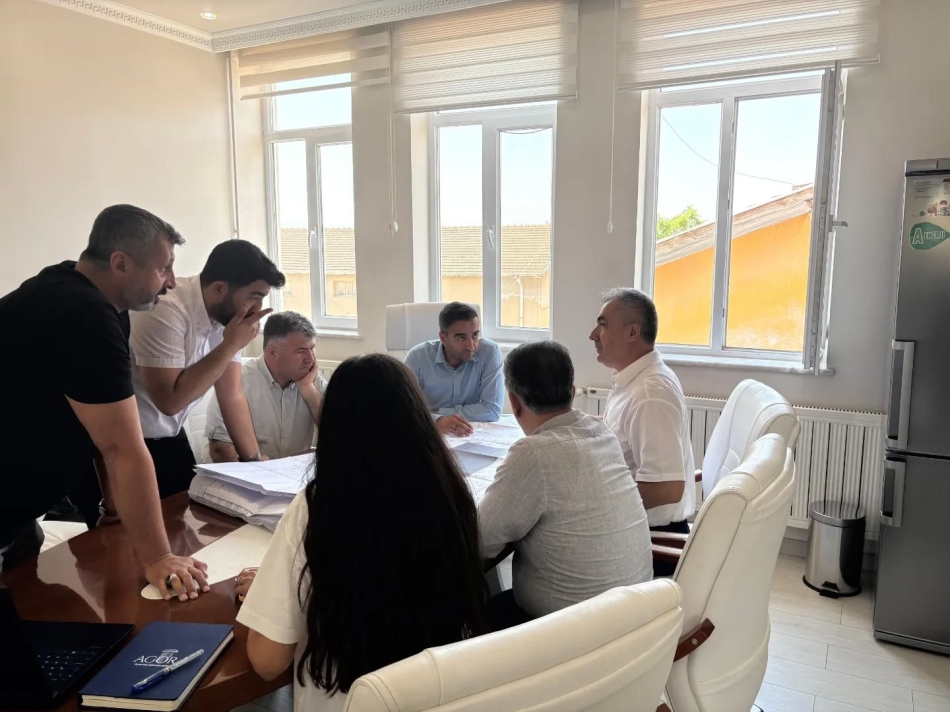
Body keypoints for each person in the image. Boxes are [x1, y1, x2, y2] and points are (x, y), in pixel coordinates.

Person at [233, 354, 488, 711]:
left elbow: (267, 661)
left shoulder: (318, 505)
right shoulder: (452, 493)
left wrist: (269, 591)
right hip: (437, 695)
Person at [0, 204, 209, 601]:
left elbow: (101, 423)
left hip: (19, 516)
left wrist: (112, 508)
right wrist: (160, 557)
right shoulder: (82, 314)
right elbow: (121, 447)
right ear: (120, 263)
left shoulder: (92, 300)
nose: (170, 281)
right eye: (163, 268)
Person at [478, 341, 653, 630]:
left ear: (514, 402)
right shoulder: (602, 432)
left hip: (570, 634)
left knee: (464, 616)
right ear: (572, 392)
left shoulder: (533, 454)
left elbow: (479, 541)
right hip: (633, 620)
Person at [129, 241, 286, 497]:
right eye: (253, 297)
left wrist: (255, 462)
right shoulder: (165, 308)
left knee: (188, 513)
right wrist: (231, 344)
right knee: (144, 522)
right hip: (127, 441)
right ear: (219, 288)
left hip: (170, 435)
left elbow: (231, 394)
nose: (258, 309)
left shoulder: (228, 318)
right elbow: (169, 401)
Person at [590, 288, 696, 576]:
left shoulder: (650, 395)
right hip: (635, 526)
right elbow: (626, 433)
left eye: (602, 325)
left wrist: (597, 501)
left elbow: (667, 488)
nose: (593, 335)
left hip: (650, 540)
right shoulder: (635, 379)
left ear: (632, 332)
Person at [205, 312, 326, 462]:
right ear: (272, 353)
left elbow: (340, 433)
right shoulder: (236, 381)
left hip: (292, 474)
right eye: (300, 351)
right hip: (245, 474)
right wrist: (271, 467)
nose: (310, 359)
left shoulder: (312, 379)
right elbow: (220, 451)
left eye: (312, 348)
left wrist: (308, 389)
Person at [404, 302, 504, 437]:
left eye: (475, 335)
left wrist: (438, 415)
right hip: (429, 434)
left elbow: (492, 410)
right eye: (461, 338)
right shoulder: (418, 357)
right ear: (443, 338)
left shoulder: (489, 352)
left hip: (472, 434)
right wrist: (437, 422)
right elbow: (404, 407)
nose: (471, 346)